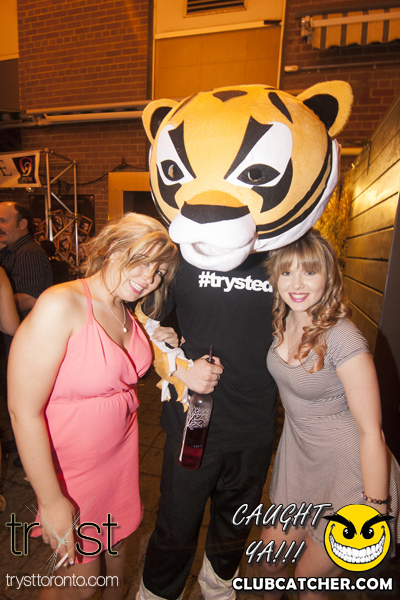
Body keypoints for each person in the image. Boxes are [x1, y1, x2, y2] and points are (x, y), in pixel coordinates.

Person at [7, 213, 180, 600]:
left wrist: (159, 341)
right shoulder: (61, 304)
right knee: (80, 586)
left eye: (158, 272)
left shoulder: (125, 309)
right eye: (141, 262)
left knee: (115, 566)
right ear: (113, 249)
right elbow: (22, 411)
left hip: (118, 463)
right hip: (75, 473)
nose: (149, 278)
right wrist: (52, 500)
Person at [259, 229, 400, 600]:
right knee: (270, 563)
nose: (297, 284)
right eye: (287, 272)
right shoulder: (284, 319)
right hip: (301, 464)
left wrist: (374, 510)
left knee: (309, 582)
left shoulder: (342, 338)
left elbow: (371, 432)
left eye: (309, 272)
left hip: (350, 473)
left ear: (329, 276)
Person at [137, 251, 277, 600]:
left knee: (235, 525)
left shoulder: (280, 256)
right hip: (192, 422)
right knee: (176, 527)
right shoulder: (186, 256)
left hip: (255, 423)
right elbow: (136, 321)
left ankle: (218, 591)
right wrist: (178, 366)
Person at [0, 201, 53, 319]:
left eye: (3, 221)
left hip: (24, 325)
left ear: (22, 224)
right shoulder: (12, 250)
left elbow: (29, 298)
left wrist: (3, 303)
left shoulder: (28, 252)